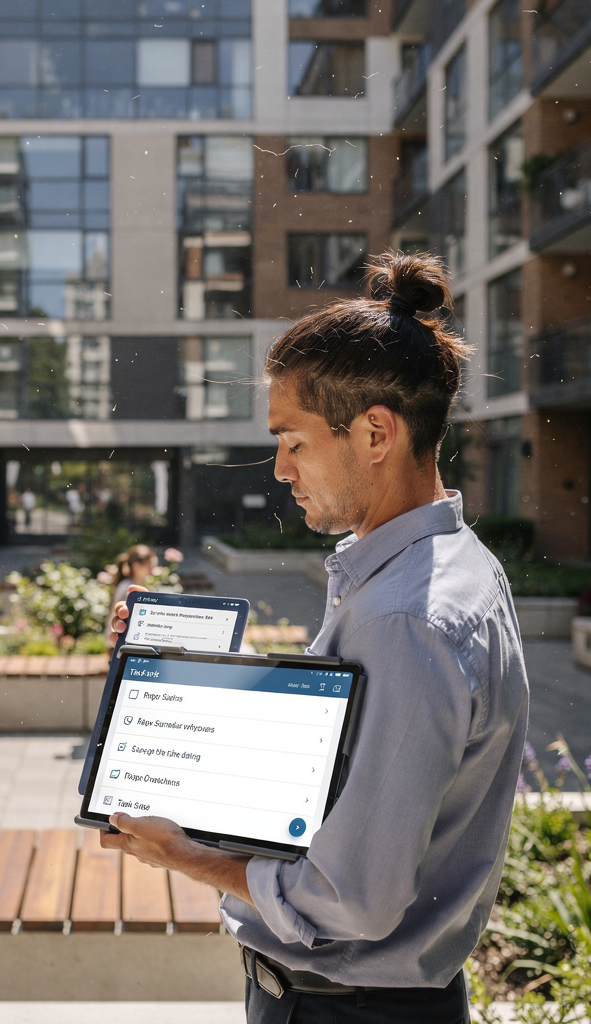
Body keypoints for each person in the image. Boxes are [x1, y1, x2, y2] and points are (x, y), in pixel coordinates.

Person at [105, 253, 528, 1023]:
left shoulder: (405, 617)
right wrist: (184, 667)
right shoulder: (445, 567)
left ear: (375, 433)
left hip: (348, 1009)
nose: (279, 469)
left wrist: (183, 855)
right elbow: (341, 761)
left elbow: (352, 899)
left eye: (294, 441)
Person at [102, 544, 158, 644]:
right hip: (118, 643)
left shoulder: (128, 585)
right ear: (136, 566)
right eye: (149, 565)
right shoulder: (128, 589)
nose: (152, 569)